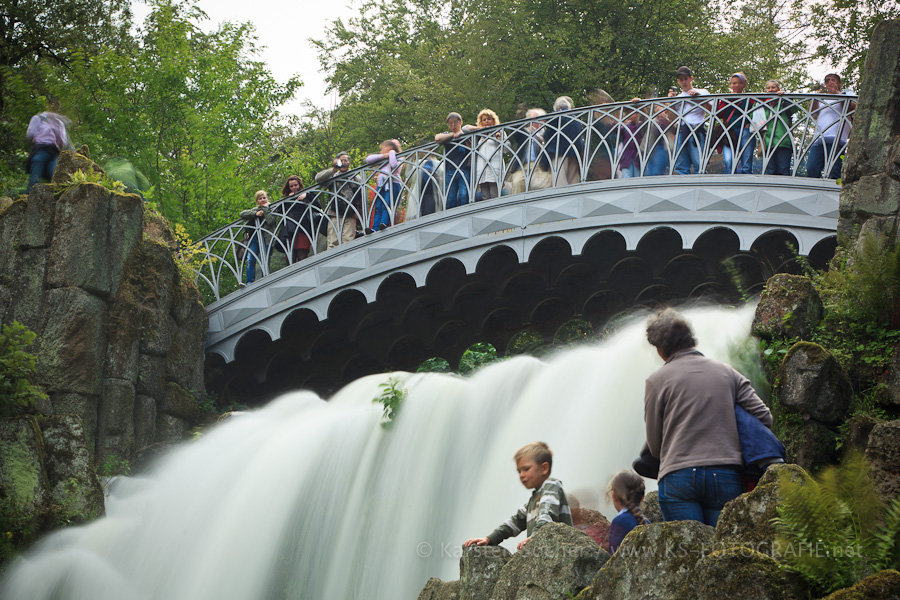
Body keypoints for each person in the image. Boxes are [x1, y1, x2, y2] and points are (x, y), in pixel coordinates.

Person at [643, 308, 772, 526]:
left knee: (689, 554)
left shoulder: (656, 380)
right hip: (724, 473)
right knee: (720, 551)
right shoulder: (727, 373)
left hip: (678, 476)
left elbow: (655, 447)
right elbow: (764, 417)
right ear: (689, 339)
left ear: (661, 348)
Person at [463, 441, 573, 550]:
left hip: (563, 550)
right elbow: (515, 522)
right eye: (519, 471)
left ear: (544, 468)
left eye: (526, 469)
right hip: (546, 551)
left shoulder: (552, 485)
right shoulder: (533, 501)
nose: (521, 475)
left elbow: (547, 513)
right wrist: (489, 539)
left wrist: (535, 537)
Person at [807, 73, 856, 179]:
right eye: (827, 80)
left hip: (837, 138)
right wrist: (817, 96)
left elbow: (852, 108)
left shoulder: (846, 93)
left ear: (839, 83)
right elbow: (812, 113)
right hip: (819, 138)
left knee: (834, 169)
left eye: (833, 80)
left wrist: (837, 93)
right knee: (812, 167)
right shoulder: (823, 98)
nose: (829, 82)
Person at [668, 67, 711, 175]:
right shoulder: (678, 97)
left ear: (691, 78)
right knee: (680, 165)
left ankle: (702, 189)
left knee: (699, 164)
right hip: (681, 132)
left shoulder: (702, 92)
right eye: (681, 79)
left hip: (696, 130)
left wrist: (699, 97)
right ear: (678, 81)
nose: (684, 82)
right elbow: (673, 118)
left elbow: (712, 110)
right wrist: (670, 103)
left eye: (686, 79)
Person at [316, 152, 362, 248]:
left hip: (350, 213)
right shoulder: (333, 176)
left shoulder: (356, 177)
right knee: (333, 242)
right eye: (341, 160)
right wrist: (333, 169)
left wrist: (358, 214)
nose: (344, 162)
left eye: (346, 160)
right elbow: (318, 178)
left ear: (349, 162)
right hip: (334, 213)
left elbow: (360, 197)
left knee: (348, 241)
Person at [715, 72, 756, 174]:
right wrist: (726, 100)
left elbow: (760, 108)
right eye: (734, 83)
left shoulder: (749, 98)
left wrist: (751, 122)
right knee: (729, 161)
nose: (736, 85)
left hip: (745, 131)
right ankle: (730, 182)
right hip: (729, 133)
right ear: (730, 85)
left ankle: (746, 181)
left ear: (744, 84)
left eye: (739, 83)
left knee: (746, 164)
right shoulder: (726, 98)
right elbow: (718, 114)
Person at [25, 105, 70, 192]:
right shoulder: (38, 119)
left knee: (54, 176)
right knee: (35, 177)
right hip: (40, 149)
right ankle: (27, 198)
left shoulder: (59, 123)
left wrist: (57, 133)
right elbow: (30, 135)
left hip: (54, 152)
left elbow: (63, 142)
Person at [506, 107, 551, 194]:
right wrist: (523, 121)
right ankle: (517, 206)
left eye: (536, 117)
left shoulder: (546, 133)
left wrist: (537, 137)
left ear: (542, 120)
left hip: (540, 166)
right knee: (517, 182)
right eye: (530, 117)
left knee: (540, 185)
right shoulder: (523, 133)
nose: (533, 120)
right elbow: (513, 128)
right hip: (523, 166)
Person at [463, 109, 504, 201]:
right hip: (482, 168)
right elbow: (465, 128)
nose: (486, 121)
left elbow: (506, 149)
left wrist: (499, 138)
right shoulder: (479, 135)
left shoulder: (499, 131)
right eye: (484, 120)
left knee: (494, 195)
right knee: (484, 197)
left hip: (494, 167)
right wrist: (481, 129)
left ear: (493, 120)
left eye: (489, 119)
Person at [543, 96, 585, 186]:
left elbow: (547, 135)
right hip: (575, 153)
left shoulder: (556, 116)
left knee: (560, 180)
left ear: (557, 108)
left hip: (560, 152)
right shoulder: (576, 119)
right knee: (573, 180)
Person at [757, 79, 796, 176]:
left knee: (783, 170)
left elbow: (794, 109)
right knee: (770, 171)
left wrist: (785, 97)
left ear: (778, 89)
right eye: (768, 88)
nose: (771, 90)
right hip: (767, 142)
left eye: (773, 87)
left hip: (783, 141)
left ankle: (785, 190)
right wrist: (758, 101)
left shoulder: (783, 102)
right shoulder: (763, 104)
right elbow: (753, 117)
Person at [607, 470, 649, 553]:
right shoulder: (647, 523)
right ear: (642, 498)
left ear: (614, 496)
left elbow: (613, 557)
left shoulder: (619, 522)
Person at [435, 112, 472, 209]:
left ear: (461, 122)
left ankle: (464, 213)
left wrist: (462, 136)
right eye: (450, 123)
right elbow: (437, 138)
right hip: (450, 170)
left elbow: (472, 148)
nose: (453, 125)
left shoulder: (466, 135)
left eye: (455, 122)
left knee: (464, 195)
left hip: (464, 169)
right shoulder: (447, 135)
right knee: (450, 198)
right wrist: (453, 135)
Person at [239, 190, 276, 284]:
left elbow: (271, 221)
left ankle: (264, 278)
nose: (263, 200)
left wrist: (266, 209)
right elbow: (242, 214)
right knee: (250, 259)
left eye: (264, 197)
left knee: (264, 259)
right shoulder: (256, 210)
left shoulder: (273, 208)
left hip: (267, 237)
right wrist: (255, 214)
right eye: (260, 198)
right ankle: (249, 282)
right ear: (257, 201)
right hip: (254, 238)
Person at [277, 175, 316, 263]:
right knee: (290, 258)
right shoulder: (287, 199)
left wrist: (306, 195)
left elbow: (317, 204)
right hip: (290, 231)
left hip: (303, 229)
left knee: (302, 256)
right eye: (291, 186)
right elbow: (279, 211)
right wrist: (288, 199)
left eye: (295, 185)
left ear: (299, 185)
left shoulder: (307, 194)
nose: (294, 188)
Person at [365, 139, 403, 231]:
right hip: (381, 185)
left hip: (393, 184)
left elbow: (393, 165)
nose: (381, 151)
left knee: (387, 205)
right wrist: (383, 156)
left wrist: (391, 154)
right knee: (378, 206)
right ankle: (375, 228)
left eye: (383, 149)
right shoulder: (382, 158)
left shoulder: (399, 158)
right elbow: (368, 159)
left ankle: (384, 224)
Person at [617, 102, 645, 178]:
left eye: (634, 112)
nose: (632, 115)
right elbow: (616, 130)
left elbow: (646, 119)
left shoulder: (641, 125)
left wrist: (640, 104)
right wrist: (617, 111)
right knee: (626, 177)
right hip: (626, 159)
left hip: (638, 159)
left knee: (637, 179)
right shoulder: (625, 127)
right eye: (629, 113)